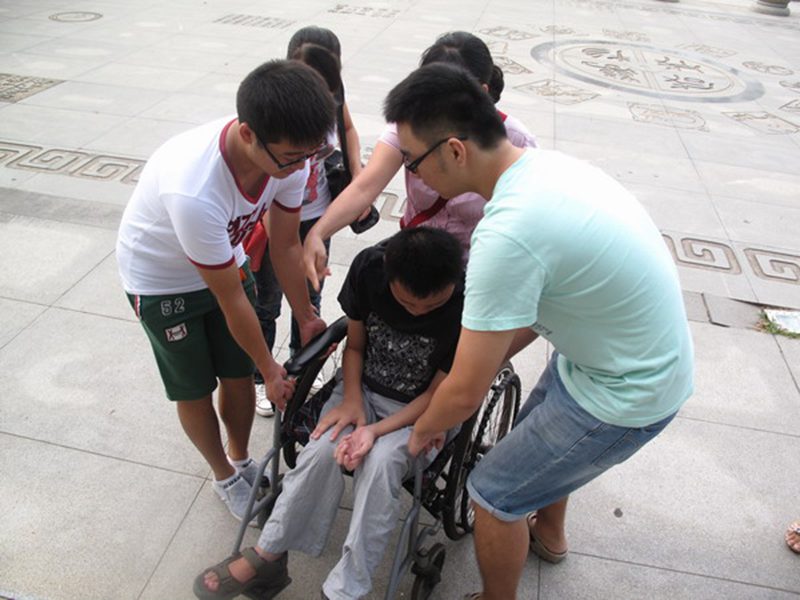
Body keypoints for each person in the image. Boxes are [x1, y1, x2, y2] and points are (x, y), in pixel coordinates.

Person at [383, 63, 694, 600]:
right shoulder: (545, 167)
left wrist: (419, 432)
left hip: (628, 391)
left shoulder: (507, 233)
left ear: (454, 150)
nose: (411, 173)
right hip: (606, 355)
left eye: (412, 160)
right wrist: (473, 369)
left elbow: (465, 392)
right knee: (535, 455)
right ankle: (548, 535)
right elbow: (523, 317)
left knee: (493, 493)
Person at [193, 227, 465, 600]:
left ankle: (347, 588)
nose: (417, 312)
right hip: (361, 388)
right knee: (321, 449)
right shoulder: (370, 269)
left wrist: (374, 431)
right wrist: (352, 402)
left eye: (431, 307)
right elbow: (354, 348)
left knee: (382, 464)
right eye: (406, 302)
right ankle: (269, 553)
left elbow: (440, 393)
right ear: (389, 276)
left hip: (424, 412)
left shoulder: (469, 302)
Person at [116, 60, 333, 524]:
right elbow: (230, 298)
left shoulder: (290, 155)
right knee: (194, 386)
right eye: (292, 158)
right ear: (249, 134)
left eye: (308, 155)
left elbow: (285, 243)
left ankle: (240, 458)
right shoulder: (195, 189)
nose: (300, 168)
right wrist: (270, 369)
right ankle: (223, 475)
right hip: (162, 283)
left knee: (237, 373)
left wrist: (305, 314)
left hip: (223, 260)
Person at [303, 31, 536, 286]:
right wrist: (318, 233)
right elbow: (365, 186)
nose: (434, 113)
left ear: (480, 93)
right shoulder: (410, 130)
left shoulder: (515, 142)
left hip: (481, 270)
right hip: (420, 266)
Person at [250, 27, 363, 418]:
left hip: (316, 217)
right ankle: (261, 375)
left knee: (310, 299)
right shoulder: (275, 107)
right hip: (275, 218)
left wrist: (356, 171)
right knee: (266, 301)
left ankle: (301, 367)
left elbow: (348, 129)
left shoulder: (334, 96)